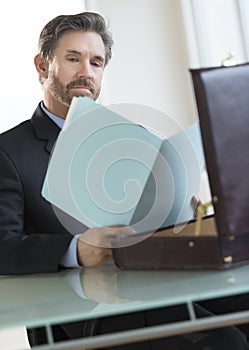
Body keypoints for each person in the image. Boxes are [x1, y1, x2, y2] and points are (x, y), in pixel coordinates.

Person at [0, 11, 248, 350]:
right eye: (73, 58)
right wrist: (77, 250)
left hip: (153, 284)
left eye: (96, 62)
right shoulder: (8, 152)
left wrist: (182, 217)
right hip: (85, 312)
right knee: (226, 342)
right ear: (43, 66)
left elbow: (149, 228)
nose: (86, 72)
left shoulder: (135, 140)